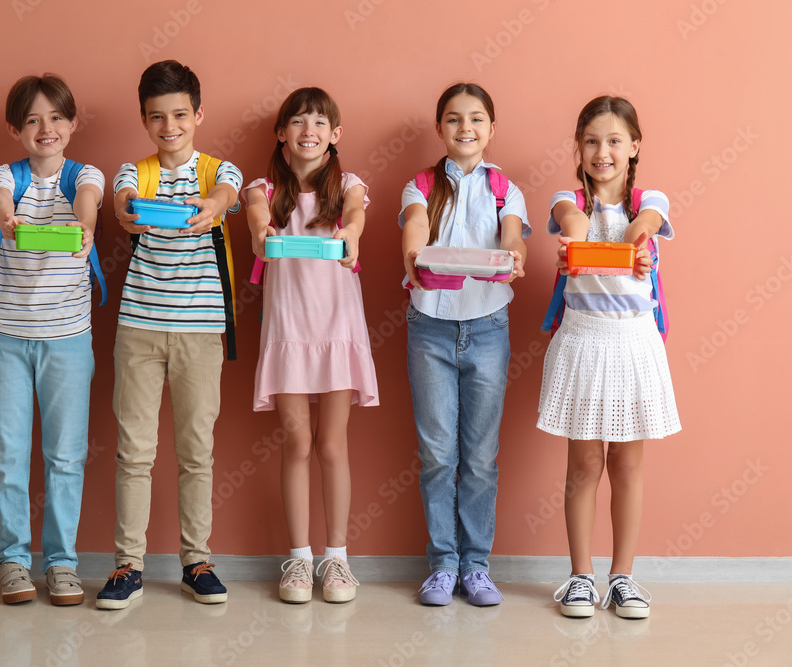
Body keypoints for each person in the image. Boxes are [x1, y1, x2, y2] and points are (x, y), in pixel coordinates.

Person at [95, 60, 241, 610]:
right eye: (157, 117)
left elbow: (229, 191)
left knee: (195, 451)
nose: (170, 126)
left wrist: (216, 207)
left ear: (198, 114)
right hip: (138, 327)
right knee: (134, 451)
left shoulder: (218, 171)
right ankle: (127, 566)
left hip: (201, 331)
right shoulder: (135, 172)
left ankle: (195, 560)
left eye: (180, 114)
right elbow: (122, 201)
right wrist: (126, 213)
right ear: (144, 120)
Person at [539, 96, 681, 619]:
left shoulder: (651, 200)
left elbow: (642, 226)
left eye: (615, 141)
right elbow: (570, 223)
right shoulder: (568, 200)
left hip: (634, 343)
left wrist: (635, 246)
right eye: (593, 141)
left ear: (634, 147)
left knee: (627, 464)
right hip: (583, 341)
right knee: (583, 465)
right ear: (578, 147)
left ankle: (623, 577)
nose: (603, 152)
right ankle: (580, 577)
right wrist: (577, 245)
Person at [243, 87, 379, 604]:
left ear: (335, 135)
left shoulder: (348, 185)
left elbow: (357, 217)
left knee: (331, 444)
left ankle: (337, 559)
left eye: (320, 123)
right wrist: (261, 234)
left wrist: (352, 236)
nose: (308, 131)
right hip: (289, 331)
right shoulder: (263, 188)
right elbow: (258, 220)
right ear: (281, 133)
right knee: (297, 443)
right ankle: (298, 560)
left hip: (337, 330)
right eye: (298, 122)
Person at [400, 83, 529, 607]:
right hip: (428, 325)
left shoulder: (506, 189)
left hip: (489, 328)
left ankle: (476, 565)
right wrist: (414, 259)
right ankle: (442, 564)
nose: (465, 129)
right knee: (436, 453)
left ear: (492, 128)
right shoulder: (420, 185)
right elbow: (413, 229)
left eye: (476, 119)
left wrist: (515, 255)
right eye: (453, 119)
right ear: (439, 129)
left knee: (479, 456)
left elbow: (513, 236)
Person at [0, 73, 103, 606]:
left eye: (56, 117)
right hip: (6, 335)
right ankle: (12, 560)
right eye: (32, 119)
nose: (45, 128)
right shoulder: (4, 176)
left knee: (66, 455)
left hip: (69, 340)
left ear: (73, 124)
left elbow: (90, 201)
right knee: (8, 454)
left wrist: (86, 227)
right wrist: (7, 219)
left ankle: (62, 564)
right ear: (16, 129)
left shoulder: (86, 175)